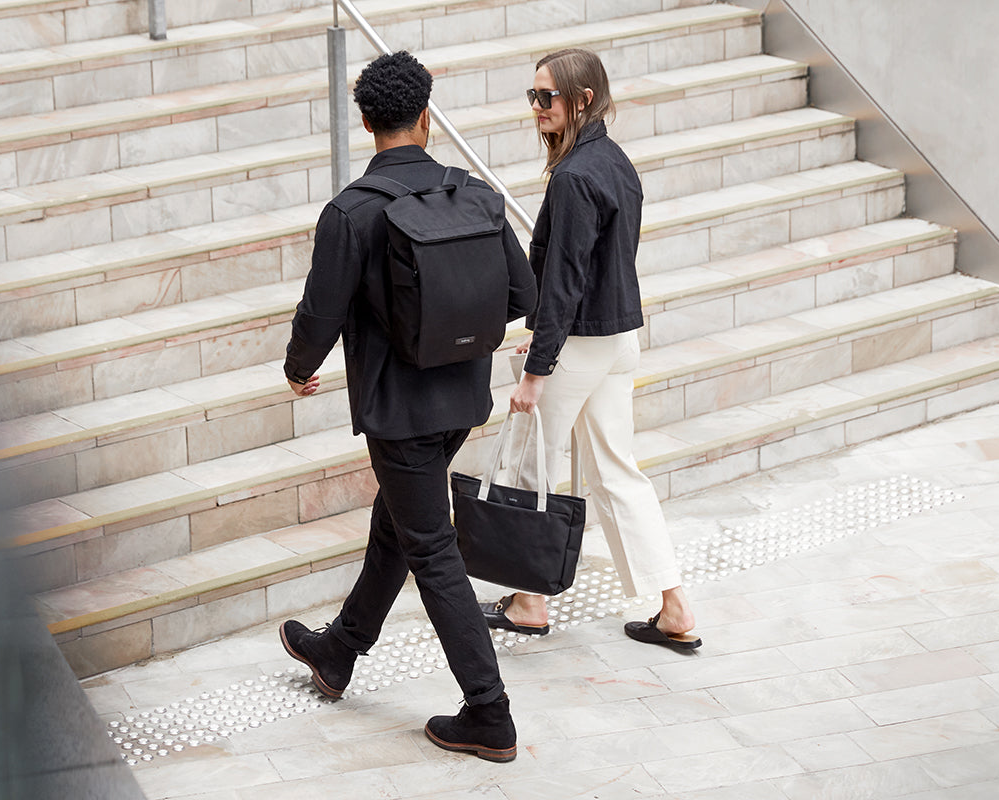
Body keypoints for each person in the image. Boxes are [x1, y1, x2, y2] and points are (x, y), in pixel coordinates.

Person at [279, 51, 538, 762]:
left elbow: (318, 313)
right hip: (461, 401)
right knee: (398, 522)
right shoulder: (476, 195)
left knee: (430, 547)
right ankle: (339, 650)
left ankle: (489, 712)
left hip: (400, 413)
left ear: (365, 122)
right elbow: (525, 298)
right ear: (427, 115)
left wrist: (299, 370)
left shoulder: (351, 212)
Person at [481, 48, 702, 652]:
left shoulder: (577, 175)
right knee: (615, 472)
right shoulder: (613, 161)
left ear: (581, 99)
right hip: (616, 338)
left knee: (532, 463)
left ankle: (530, 601)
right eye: (532, 96)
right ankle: (673, 604)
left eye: (546, 97)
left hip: (579, 343)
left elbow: (565, 280)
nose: (536, 108)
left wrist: (536, 367)